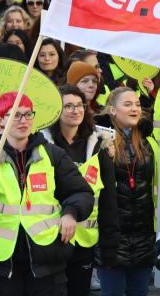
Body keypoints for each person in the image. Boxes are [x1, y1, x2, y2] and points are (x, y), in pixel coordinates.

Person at [0, 92, 93, 295]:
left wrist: (71, 213)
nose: (23, 121)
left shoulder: (52, 154)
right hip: (1, 265)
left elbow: (82, 192)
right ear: (0, 121)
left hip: (48, 262)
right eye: (15, 115)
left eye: (28, 114)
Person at [43, 86, 116, 296]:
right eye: (69, 106)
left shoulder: (99, 144)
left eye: (80, 105)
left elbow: (109, 196)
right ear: (56, 109)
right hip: (50, 237)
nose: (76, 111)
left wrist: (109, 243)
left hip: (84, 239)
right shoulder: (43, 144)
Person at [94, 87, 158, 296]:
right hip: (112, 236)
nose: (135, 109)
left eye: (138, 104)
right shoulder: (98, 140)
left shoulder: (147, 140)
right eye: (128, 104)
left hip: (143, 235)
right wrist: (103, 155)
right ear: (112, 110)